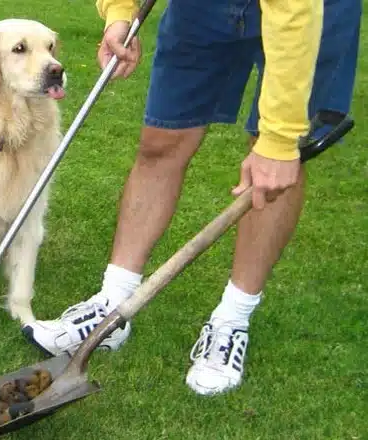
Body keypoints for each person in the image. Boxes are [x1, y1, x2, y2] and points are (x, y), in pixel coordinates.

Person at [22, 0, 360, 395]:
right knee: (162, 140)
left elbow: (294, 9)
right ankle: (112, 306)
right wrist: (120, 12)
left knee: (273, 169)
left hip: (308, 10)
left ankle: (233, 319)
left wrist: (281, 137)